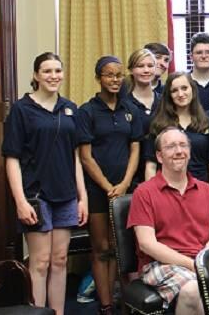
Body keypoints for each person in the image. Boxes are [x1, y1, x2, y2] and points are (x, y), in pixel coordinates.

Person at [2, 52, 87, 315]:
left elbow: (75, 157)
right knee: (40, 262)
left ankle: (58, 312)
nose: (53, 76)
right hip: (36, 196)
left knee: (60, 260)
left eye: (58, 71)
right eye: (47, 71)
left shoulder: (70, 108)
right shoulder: (21, 110)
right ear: (36, 76)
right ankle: (37, 312)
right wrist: (20, 201)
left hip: (66, 195)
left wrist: (82, 197)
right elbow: (12, 159)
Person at [128, 127, 209, 315]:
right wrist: (192, 264)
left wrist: (205, 259)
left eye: (183, 145)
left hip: (203, 257)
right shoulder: (144, 192)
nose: (179, 151)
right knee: (192, 289)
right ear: (159, 156)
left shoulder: (206, 190)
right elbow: (147, 244)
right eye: (171, 147)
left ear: (189, 152)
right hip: (162, 263)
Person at [76, 55, 143, 315]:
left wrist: (125, 183)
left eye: (118, 75)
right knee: (101, 248)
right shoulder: (87, 111)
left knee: (119, 248)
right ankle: (105, 306)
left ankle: (119, 301)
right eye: (108, 75)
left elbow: (135, 148)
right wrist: (107, 187)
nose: (115, 80)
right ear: (98, 78)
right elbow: (85, 156)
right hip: (97, 190)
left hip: (125, 189)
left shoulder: (130, 110)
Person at [145, 72, 209, 185]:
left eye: (184, 88)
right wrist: (151, 196)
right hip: (166, 189)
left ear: (193, 90)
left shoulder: (206, 123)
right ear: (169, 95)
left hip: (200, 189)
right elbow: (151, 165)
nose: (180, 94)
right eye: (174, 90)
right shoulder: (158, 124)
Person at [125, 48, 160, 184]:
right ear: (131, 70)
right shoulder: (124, 104)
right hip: (131, 172)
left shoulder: (164, 102)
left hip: (160, 169)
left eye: (150, 66)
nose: (146, 70)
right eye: (140, 66)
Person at [189, 32, 209, 111]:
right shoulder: (183, 82)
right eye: (199, 53)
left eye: (208, 52)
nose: (204, 56)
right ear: (191, 57)